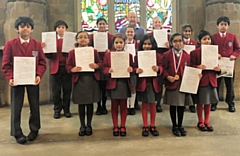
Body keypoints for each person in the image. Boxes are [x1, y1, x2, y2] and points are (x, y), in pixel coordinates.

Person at [1, 16, 46, 144]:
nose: (25, 28)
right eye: (22, 26)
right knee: (16, 106)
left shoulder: (37, 44)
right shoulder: (10, 44)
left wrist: (38, 75)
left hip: (33, 80)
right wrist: (10, 77)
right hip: (16, 80)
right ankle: (17, 132)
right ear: (17, 29)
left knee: (34, 105)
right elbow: (5, 64)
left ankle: (34, 129)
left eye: (28, 26)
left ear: (31, 29)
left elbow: (42, 62)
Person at [66, 31, 101, 136]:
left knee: (90, 103)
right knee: (81, 104)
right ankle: (82, 125)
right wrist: (73, 69)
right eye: (80, 37)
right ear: (77, 40)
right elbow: (68, 66)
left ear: (89, 40)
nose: (83, 39)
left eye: (85, 37)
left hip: (91, 79)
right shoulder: (72, 52)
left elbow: (100, 63)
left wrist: (96, 66)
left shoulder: (94, 51)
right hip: (79, 79)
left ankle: (89, 125)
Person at [102, 33, 133, 137]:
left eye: (121, 42)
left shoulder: (128, 55)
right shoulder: (108, 55)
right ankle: (115, 125)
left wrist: (131, 69)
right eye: (116, 42)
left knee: (124, 105)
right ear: (113, 43)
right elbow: (103, 68)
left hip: (124, 83)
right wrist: (108, 70)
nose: (119, 44)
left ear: (124, 43)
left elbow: (132, 67)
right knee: (114, 106)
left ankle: (123, 125)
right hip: (113, 82)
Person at [162, 33, 192, 137]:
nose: (178, 43)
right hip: (172, 83)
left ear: (183, 43)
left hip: (183, 84)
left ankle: (180, 125)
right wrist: (167, 76)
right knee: (173, 105)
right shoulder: (166, 55)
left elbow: (189, 69)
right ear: (171, 43)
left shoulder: (187, 55)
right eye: (175, 41)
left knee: (181, 106)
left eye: (180, 41)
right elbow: (163, 68)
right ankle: (174, 125)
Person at [190, 30, 221, 132]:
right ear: (199, 41)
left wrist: (218, 69)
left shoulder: (214, 52)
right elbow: (190, 66)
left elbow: (219, 67)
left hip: (211, 79)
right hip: (201, 80)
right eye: (204, 39)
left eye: (208, 39)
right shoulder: (194, 53)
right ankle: (200, 121)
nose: (207, 41)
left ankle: (207, 121)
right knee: (200, 102)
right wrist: (198, 67)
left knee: (208, 103)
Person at [134, 34, 162, 136]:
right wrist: (136, 70)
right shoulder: (138, 56)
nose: (147, 46)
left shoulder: (158, 56)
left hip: (154, 83)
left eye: (149, 44)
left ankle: (153, 125)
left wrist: (158, 68)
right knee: (144, 104)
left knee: (153, 104)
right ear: (141, 45)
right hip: (143, 83)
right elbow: (133, 68)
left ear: (153, 45)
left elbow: (162, 66)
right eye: (145, 44)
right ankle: (145, 125)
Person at [211, 16, 240, 112]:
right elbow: (210, 49)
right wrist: (216, 54)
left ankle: (230, 103)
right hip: (217, 66)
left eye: (225, 25)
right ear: (217, 26)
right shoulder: (213, 37)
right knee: (216, 85)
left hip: (229, 65)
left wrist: (234, 55)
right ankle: (214, 102)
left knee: (230, 86)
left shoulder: (232, 37)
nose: (223, 26)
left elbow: (237, 48)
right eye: (221, 24)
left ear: (228, 26)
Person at [45, 20, 72, 119]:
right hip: (55, 68)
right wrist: (45, 48)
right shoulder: (52, 40)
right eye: (58, 27)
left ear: (66, 29)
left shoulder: (70, 40)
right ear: (56, 29)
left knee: (67, 90)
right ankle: (57, 109)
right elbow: (48, 56)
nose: (60, 29)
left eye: (63, 27)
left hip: (67, 68)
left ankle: (66, 109)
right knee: (56, 91)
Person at [89, 17, 114, 115]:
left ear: (106, 25)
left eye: (104, 24)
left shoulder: (111, 37)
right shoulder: (92, 36)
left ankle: (104, 105)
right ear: (97, 25)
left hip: (107, 64)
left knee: (104, 86)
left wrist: (109, 51)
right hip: (96, 64)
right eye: (100, 24)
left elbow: (115, 48)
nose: (102, 25)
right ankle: (98, 106)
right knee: (97, 87)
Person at [148, 16, 170, 113]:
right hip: (151, 59)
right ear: (152, 24)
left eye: (159, 22)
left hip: (163, 60)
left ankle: (158, 103)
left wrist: (169, 46)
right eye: (155, 22)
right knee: (152, 83)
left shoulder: (167, 35)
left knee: (160, 83)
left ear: (162, 24)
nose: (157, 24)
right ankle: (151, 101)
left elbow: (171, 49)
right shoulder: (149, 35)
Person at [182, 24, 198, 113]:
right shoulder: (180, 43)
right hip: (183, 66)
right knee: (184, 86)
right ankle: (184, 104)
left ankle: (192, 104)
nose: (187, 33)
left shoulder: (194, 43)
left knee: (192, 86)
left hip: (192, 66)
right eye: (185, 31)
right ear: (182, 32)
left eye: (189, 31)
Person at [125, 25, 138, 115]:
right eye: (128, 32)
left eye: (131, 32)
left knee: (133, 87)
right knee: (126, 87)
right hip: (124, 68)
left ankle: (132, 106)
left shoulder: (138, 43)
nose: (129, 33)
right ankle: (126, 106)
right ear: (125, 33)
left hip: (134, 67)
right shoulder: (122, 43)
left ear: (134, 33)